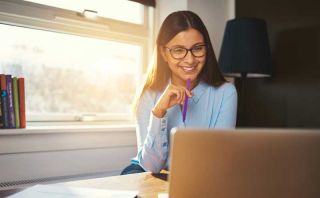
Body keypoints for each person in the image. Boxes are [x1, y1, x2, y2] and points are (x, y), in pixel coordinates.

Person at [121, 10, 237, 175]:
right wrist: (159, 112)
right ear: (164, 53)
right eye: (178, 50)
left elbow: (219, 157)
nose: (190, 60)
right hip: (149, 170)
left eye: (197, 48)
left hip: (200, 174)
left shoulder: (226, 93)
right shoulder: (149, 94)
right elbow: (151, 166)